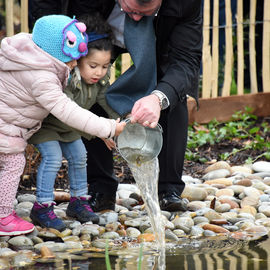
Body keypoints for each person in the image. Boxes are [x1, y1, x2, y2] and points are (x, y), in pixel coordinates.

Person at [31, 0, 203, 212]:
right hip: (94, 28)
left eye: (146, 12)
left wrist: (158, 98)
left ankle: (169, 190)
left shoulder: (186, 3)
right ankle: (100, 189)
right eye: (131, 10)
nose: (137, 18)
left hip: (160, 41)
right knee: (89, 88)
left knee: (171, 90)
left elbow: (186, 61)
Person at [0, 14, 125, 236]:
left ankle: (78, 201)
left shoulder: (36, 57)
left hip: (14, 124)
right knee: (19, 163)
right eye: (74, 59)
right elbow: (68, 111)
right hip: (17, 127)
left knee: (78, 155)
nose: (76, 63)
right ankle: (23, 211)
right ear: (56, 52)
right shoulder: (43, 78)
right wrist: (107, 128)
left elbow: (104, 102)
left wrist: (121, 121)